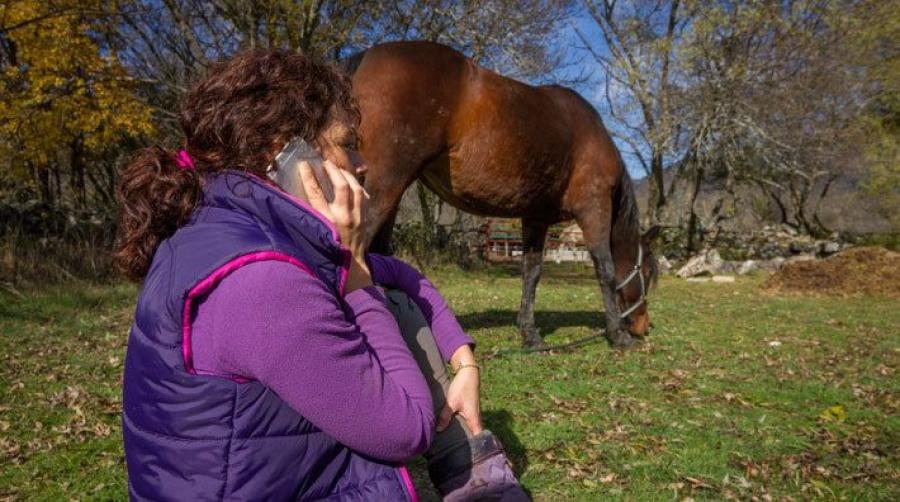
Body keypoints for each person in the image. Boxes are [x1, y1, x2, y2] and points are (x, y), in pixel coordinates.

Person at [115, 48, 526, 501]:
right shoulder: (262, 280)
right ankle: (482, 484)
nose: (361, 162)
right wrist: (357, 273)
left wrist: (465, 363)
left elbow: (408, 279)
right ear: (285, 154)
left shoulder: (225, 229)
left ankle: (479, 481)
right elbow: (407, 430)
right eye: (347, 143)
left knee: (396, 300)